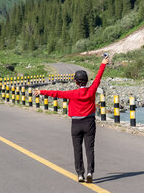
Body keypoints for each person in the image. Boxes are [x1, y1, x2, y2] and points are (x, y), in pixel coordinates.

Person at [34, 55, 110, 183]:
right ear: (86, 81)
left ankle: (80, 174)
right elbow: (98, 78)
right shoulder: (91, 90)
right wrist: (103, 64)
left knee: (77, 149)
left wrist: (41, 92)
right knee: (89, 148)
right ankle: (90, 172)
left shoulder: (72, 93)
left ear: (75, 82)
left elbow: (57, 93)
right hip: (89, 123)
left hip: (76, 124)